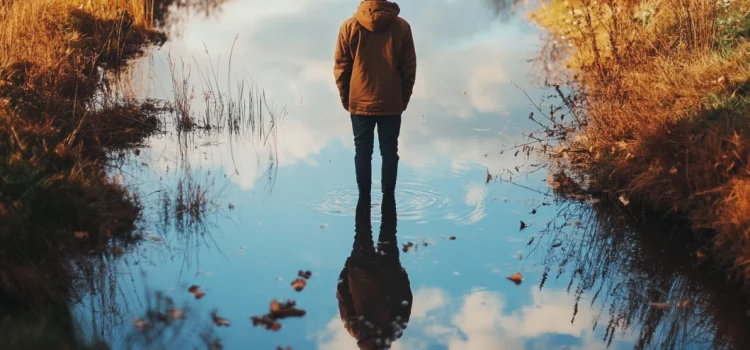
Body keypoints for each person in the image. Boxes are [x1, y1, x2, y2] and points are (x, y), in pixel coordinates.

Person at [334, 0, 417, 201]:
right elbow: (409, 68)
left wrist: (348, 99)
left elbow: (341, 68)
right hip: (391, 100)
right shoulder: (402, 26)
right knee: (389, 151)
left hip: (360, 100)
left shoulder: (349, 26)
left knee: (362, 151)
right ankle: (389, 197)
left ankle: (364, 198)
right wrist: (402, 99)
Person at [336, 194, 412, 350]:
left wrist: (401, 274)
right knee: (362, 228)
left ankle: (388, 187)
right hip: (361, 272)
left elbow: (406, 298)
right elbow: (343, 296)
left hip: (389, 271)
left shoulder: (394, 332)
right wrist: (348, 268)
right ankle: (364, 188)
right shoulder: (356, 331)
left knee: (388, 229)